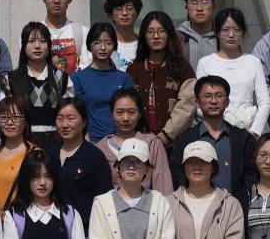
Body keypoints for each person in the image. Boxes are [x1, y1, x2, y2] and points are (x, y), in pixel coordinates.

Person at [193, 9, 270, 132]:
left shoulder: (253, 62)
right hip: (215, 130)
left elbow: (265, 102)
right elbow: (199, 105)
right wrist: (226, 120)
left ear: (243, 33)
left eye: (237, 30)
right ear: (216, 32)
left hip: (248, 130)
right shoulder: (205, 62)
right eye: (225, 30)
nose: (231, 34)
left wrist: (254, 132)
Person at [127, 11, 198, 144]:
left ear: (169, 34)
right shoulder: (133, 70)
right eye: (150, 32)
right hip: (138, 143)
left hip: (174, 144)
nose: (156, 36)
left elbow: (186, 107)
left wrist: (164, 137)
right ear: (144, 36)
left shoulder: (183, 69)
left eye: (161, 31)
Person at [50, 99, 115, 234]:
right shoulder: (50, 155)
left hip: (86, 233)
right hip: (53, 231)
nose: (64, 125)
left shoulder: (94, 157)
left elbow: (105, 200)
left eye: (71, 118)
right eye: (60, 119)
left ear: (84, 122)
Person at [7, 22, 72, 145]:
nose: (37, 46)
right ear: (23, 45)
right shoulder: (12, 79)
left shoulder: (62, 78)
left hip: (56, 144)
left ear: (49, 45)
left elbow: (70, 113)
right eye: (31, 41)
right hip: (22, 143)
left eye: (42, 41)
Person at [101, 88, 174, 195]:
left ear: (140, 113)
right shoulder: (100, 148)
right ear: (112, 114)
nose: (125, 118)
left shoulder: (152, 144)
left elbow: (164, 187)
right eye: (119, 112)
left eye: (131, 112)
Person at [72, 22, 136, 142]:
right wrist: (86, 141)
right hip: (89, 141)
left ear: (114, 46)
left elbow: (131, 112)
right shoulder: (78, 79)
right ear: (89, 45)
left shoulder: (124, 79)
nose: (103, 48)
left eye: (108, 43)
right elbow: (76, 113)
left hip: (121, 141)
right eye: (97, 42)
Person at [0, 95, 35, 211]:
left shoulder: (34, 155)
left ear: (26, 121)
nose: (9, 122)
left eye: (15, 117)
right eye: (4, 117)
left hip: (20, 218)